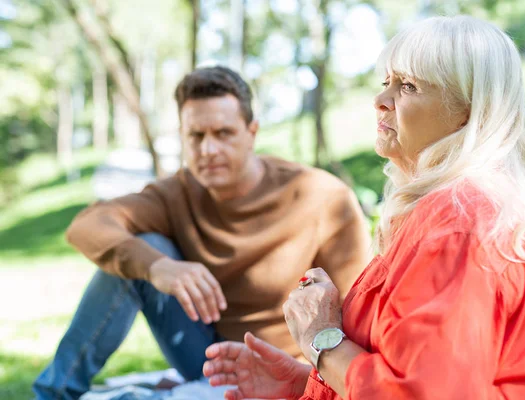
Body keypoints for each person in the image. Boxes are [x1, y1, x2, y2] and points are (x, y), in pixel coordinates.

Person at [203, 16, 525, 400]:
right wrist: (305, 381)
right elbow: (418, 368)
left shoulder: (462, 221)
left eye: (408, 86)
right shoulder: (458, 209)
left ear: (467, 111)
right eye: (386, 82)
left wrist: (322, 340)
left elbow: (423, 393)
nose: (380, 100)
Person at [33, 66, 371, 400]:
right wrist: (158, 267)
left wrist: (308, 376)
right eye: (196, 136)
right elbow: (87, 225)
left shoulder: (322, 196)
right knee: (144, 249)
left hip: (284, 367)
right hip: (208, 358)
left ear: (251, 132)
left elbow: (358, 315)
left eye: (223, 133)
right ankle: (53, 393)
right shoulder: (176, 192)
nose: (208, 150)